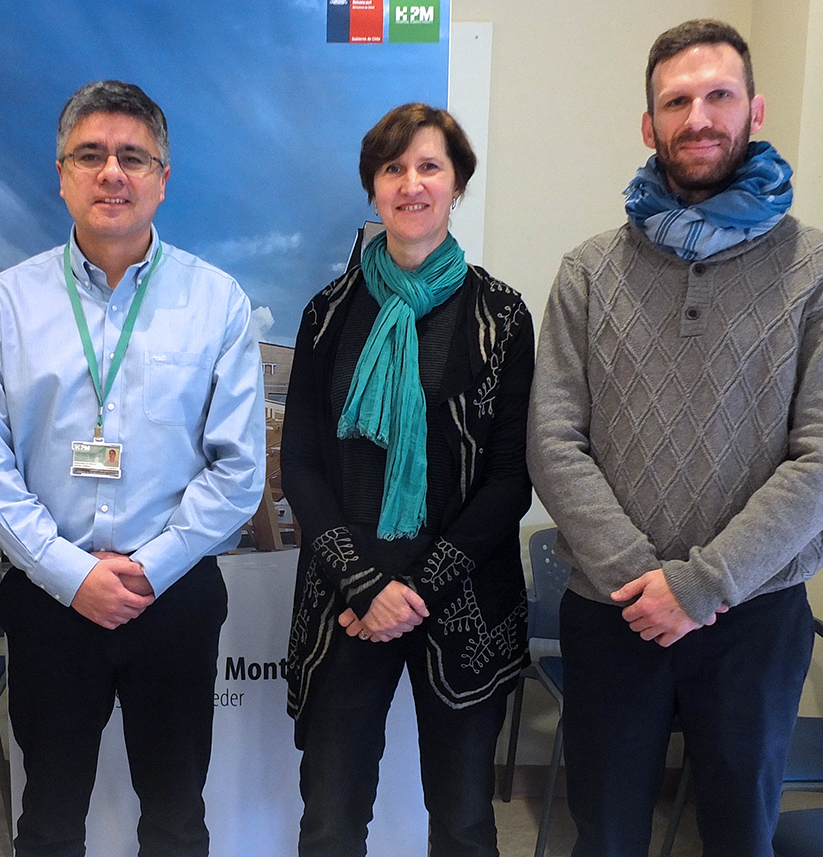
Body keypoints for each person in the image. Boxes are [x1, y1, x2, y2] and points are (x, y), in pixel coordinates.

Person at [528, 19, 823, 857]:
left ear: (754, 111)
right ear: (650, 125)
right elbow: (553, 440)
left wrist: (701, 585)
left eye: (719, 95)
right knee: (604, 836)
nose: (699, 117)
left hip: (756, 615)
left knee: (741, 836)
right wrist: (644, 580)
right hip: (615, 611)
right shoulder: (589, 272)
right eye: (677, 101)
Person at [0, 80, 265, 857]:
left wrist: (149, 567)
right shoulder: (5, 305)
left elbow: (237, 469)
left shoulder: (217, 302)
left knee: (176, 813)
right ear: (61, 174)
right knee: (49, 818)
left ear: (163, 178)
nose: (112, 172)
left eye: (134, 156)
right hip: (50, 598)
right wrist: (72, 574)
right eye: (90, 154)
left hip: (174, 596)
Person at [281, 103, 533, 857]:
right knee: (331, 822)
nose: (411, 184)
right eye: (393, 168)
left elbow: (510, 479)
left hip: (463, 596)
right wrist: (366, 586)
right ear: (373, 188)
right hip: (346, 597)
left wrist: (415, 589)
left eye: (429, 166)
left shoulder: (502, 315)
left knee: (463, 824)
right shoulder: (327, 314)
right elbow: (300, 464)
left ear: (457, 184)